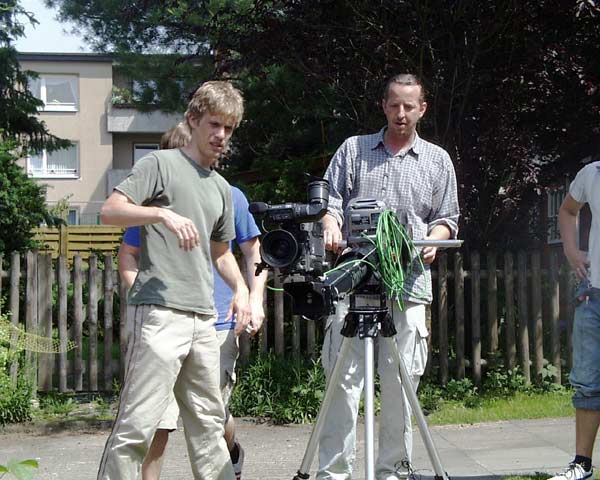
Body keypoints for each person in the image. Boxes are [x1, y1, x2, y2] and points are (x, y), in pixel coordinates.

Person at [97, 80, 252, 480]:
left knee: (209, 428)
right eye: (214, 124)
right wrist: (161, 214)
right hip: (159, 314)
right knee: (138, 426)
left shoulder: (221, 188)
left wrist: (241, 291)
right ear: (193, 120)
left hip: (204, 320)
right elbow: (110, 211)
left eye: (229, 128)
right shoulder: (159, 165)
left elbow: (221, 254)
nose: (221, 135)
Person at [318, 73, 460, 480]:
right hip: (353, 280)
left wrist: (434, 240)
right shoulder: (354, 150)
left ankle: (393, 472)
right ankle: (333, 473)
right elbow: (329, 201)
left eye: (408, 106)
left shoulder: (437, 160)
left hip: (408, 284)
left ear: (422, 109)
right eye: (394, 105)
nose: (401, 113)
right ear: (383, 105)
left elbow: (447, 218)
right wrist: (330, 223)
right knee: (342, 383)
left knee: (400, 384)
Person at [551, 161, 600, 480]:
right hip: (593, 295)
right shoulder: (593, 173)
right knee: (587, 382)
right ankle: (582, 464)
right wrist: (571, 249)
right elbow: (568, 210)